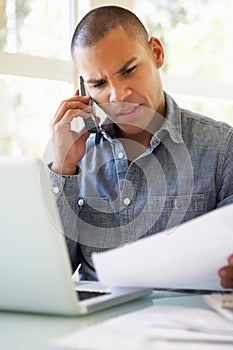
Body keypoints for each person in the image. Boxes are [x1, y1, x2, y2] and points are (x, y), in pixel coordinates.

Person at [49, 5, 233, 288]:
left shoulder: (222, 149)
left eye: (129, 70)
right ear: (84, 92)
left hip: (183, 322)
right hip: (96, 324)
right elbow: (51, 271)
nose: (118, 94)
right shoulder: (75, 156)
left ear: (156, 53)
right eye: (99, 83)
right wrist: (64, 168)